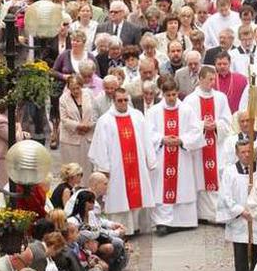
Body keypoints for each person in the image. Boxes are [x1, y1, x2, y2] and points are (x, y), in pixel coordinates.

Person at [88, 88, 157, 235]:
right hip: (117, 167)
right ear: (114, 101)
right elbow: (100, 145)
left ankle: (136, 227)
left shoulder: (137, 116)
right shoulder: (105, 120)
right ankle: (121, 230)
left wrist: (150, 160)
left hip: (136, 165)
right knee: (119, 198)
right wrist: (104, 168)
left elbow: (146, 139)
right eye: (120, 100)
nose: (123, 103)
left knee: (138, 195)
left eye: (126, 100)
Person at [146, 77, 205, 234]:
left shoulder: (187, 110)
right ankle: (162, 222)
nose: (172, 98)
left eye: (174, 94)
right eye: (168, 95)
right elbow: (147, 133)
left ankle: (183, 222)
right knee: (161, 187)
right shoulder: (154, 111)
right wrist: (162, 139)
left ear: (177, 93)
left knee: (182, 186)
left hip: (181, 156)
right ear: (162, 94)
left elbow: (196, 132)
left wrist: (181, 140)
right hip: (162, 155)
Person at [217, 140, 257, 271]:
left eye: (249, 151)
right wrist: (241, 211)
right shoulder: (230, 172)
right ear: (237, 153)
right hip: (240, 222)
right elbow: (225, 196)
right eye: (243, 152)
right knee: (241, 260)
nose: (246, 155)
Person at [183, 65, 232, 223]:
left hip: (216, 146)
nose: (213, 82)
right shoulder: (190, 100)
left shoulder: (220, 97)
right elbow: (186, 125)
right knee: (200, 178)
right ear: (201, 79)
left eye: (214, 79)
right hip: (200, 148)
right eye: (210, 79)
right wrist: (202, 125)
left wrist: (216, 125)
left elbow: (227, 120)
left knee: (216, 177)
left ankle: (217, 215)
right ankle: (201, 215)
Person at [58, 75, 94, 184]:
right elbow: (64, 119)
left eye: (78, 88)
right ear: (68, 88)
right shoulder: (63, 99)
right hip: (71, 138)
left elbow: (95, 112)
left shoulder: (89, 94)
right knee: (72, 169)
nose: (75, 91)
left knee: (87, 168)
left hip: (88, 136)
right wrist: (78, 125)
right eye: (73, 88)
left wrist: (89, 125)